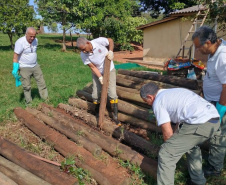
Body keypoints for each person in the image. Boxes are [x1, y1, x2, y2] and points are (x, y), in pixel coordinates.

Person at [140, 82, 220, 185]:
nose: (148, 104)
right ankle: (197, 181)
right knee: (191, 146)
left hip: (200, 122)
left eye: (146, 102)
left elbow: (168, 134)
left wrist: (170, 149)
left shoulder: (158, 102)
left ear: (149, 97)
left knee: (166, 154)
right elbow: (180, 121)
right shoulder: (172, 92)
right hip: (214, 119)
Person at [192, 26, 226, 176]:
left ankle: (215, 168)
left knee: (218, 135)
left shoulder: (223, 57)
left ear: (207, 42)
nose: (198, 50)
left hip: (221, 103)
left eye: (198, 47)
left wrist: (219, 109)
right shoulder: (214, 52)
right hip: (212, 100)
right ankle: (214, 158)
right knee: (215, 134)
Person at [76, 37, 120, 125]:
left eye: (84, 49)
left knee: (112, 94)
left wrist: (110, 51)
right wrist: (100, 77)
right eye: (82, 50)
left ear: (88, 43)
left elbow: (110, 40)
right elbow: (92, 67)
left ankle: (115, 116)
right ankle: (97, 112)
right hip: (97, 71)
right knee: (95, 94)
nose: (84, 51)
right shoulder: (83, 54)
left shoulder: (98, 42)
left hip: (109, 69)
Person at [12, 27, 48, 105]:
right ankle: (29, 103)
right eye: (30, 36)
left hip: (35, 65)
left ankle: (45, 99)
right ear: (26, 34)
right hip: (24, 67)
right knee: (27, 86)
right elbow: (15, 56)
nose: (32, 38)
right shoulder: (20, 42)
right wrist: (15, 67)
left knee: (42, 83)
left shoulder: (36, 41)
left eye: (34, 36)